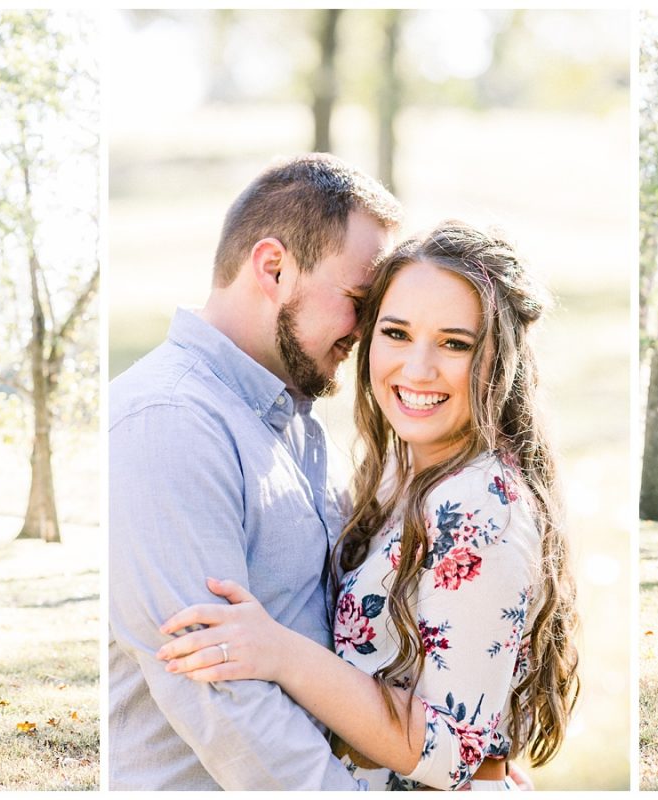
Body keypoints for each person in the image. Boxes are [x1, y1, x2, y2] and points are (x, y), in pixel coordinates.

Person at [157, 224, 581, 790]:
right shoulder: (399, 472)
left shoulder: (479, 506)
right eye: (397, 333)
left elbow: (453, 751)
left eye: (456, 343)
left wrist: (279, 653)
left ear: (499, 359)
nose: (418, 369)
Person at [108, 153, 402, 790]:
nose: (369, 329)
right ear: (272, 267)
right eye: (358, 299)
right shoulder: (169, 422)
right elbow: (221, 700)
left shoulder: (290, 420)